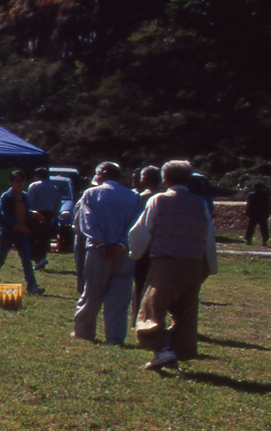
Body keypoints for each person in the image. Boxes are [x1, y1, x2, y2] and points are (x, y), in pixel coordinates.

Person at [133, 158, 218, 370]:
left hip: (166, 261)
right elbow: (209, 237)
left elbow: (142, 230)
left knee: (152, 308)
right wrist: (210, 265)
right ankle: (179, 351)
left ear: (165, 179)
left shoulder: (159, 200)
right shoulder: (200, 203)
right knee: (185, 312)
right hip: (194, 264)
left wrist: (136, 253)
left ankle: (162, 349)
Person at [72, 162, 142, 346]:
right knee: (120, 294)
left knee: (92, 292)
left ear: (101, 174)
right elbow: (137, 223)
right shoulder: (133, 196)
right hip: (124, 251)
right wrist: (122, 242)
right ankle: (115, 337)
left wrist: (100, 242)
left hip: (97, 250)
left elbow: (87, 220)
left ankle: (84, 330)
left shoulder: (91, 194)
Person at [0, 169, 44, 294]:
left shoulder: (24, 196)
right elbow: (6, 215)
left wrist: (35, 214)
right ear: (11, 182)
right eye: (17, 181)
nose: (20, 184)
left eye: (22, 181)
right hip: (7, 232)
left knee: (26, 259)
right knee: (1, 258)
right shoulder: (6, 197)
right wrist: (18, 225)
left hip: (21, 233)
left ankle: (32, 286)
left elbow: (25, 211)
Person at [245, 182, 271, 246]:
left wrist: (247, 212)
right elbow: (269, 205)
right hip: (263, 213)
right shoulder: (266, 194)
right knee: (264, 227)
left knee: (251, 227)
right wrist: (269, 212)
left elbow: (249, 205)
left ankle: (248, 240)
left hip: (253, 213)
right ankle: (264, 241)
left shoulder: (251, 195)